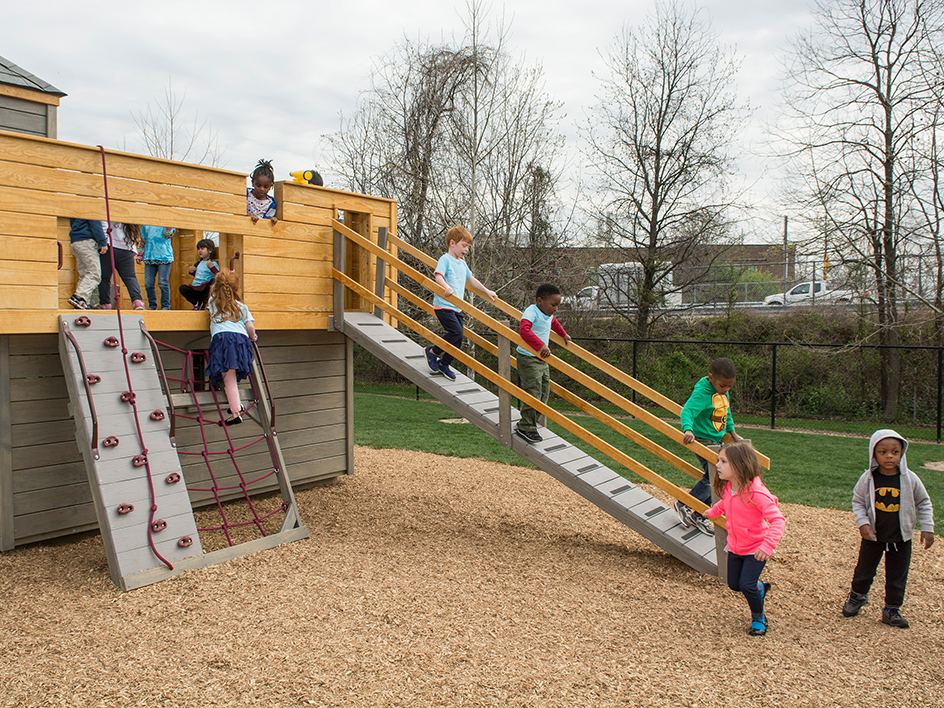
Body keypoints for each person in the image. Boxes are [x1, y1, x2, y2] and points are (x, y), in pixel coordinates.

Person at [841, 429, 934, 629]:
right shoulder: (867, 479)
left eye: (895, 452)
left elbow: (924, 502)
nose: (889, 456)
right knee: (864, 571)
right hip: (873, 537)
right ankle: (857, 597)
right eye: (883, 452)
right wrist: (863, 523)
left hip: (901, 538)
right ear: (873, 454)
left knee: (897, 575)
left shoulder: (910, 479)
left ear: (902, 453)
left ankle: (891, 609)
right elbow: (857, 501)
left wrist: (927, 528)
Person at [703, 441, 785, 637]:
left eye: (723, 461)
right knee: (734, 584)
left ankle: (759, 618)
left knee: (746, 585)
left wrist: (767, 546)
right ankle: (760, 589)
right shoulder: (729, 488)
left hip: (756, 547)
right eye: (718, 461)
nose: (718, 465)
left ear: (739, 465)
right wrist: (714, 511)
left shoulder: (756, 493)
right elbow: (727, 503)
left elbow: (778, 520)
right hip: (735, 545)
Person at [674, 357, 743, 535]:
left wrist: (733, 432)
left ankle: (698, 514)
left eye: (729, 387)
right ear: (711, 378)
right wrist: (688, 430)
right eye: (723, 386)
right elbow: (687, 410)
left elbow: (726, 412)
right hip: (704, 440)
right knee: (716, 477)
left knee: (718, 478)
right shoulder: (702, 393)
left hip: (717, 441)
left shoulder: (721, 392)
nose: (726, 390)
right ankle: (684, 504)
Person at [423, 225, 496, 381]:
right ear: (452, 243)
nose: (466, 249)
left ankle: (444, 363)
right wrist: (446, 287)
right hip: (443, 305)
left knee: (459, 339)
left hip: (457, 308)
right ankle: (432, 352)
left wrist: (487, 291)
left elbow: (471, 280)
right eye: (464, 245)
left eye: (468, 247)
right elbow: (438, 276)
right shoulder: (445, 259)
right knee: (455, 332)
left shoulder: (462, 264)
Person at [514, 283, 572, 444]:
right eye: (553, 305)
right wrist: (541, 345)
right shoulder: (531, 312)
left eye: (557, 305)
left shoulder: (548, 314)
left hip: (542, 360)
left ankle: (530, 423)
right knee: (533, 392)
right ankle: (526, 427)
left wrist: (564, 334)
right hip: (528, 358)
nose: (556, 308)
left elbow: (553, 323)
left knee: (544, 393)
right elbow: (524, 330)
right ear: (540, 301)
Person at [206, 270, 257, 426]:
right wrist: (253, 338)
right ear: (236, 288)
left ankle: (235, 413)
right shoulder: (242, 306)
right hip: (240, 341)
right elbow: (250, 326)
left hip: (223, 340)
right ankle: (237, 404)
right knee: (231, 376)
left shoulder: (213, 302)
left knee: (228, 379)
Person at [97, 222, 145, 310]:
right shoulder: (130, 217)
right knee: (130, 277)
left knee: (105, 277)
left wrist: (102, 241)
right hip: (127, 248)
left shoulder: (110, 210)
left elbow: (103, 224)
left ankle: (105, 303)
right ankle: (137, 301)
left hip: (110, 245)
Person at [67, 218, 108, 310]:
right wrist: (102, 242)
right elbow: (95, 224)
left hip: (76, 242)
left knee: (85, 274)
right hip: (87, 241)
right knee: (95, 274)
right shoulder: (91, 208)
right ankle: (79, 297)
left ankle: (83, 302)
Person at [138, 225, 176, 310]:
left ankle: (166, 306)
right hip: (149, 257)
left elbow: (168, 235)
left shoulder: (168, 223)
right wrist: (140, 254)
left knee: (163, 282)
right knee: (148, 283)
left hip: (164, 256)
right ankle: (152, 305)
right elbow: (143, 241)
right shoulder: (145, 225)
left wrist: (168, 224)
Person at [179, 238, 219, 310]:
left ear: (210, 250)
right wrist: (192, 271)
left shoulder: (213, 263)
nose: (200, 250)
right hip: (195, 289)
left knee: (213, 281)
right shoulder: (198, 263)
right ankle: (196, 303)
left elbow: (218, 275)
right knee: (182, 288)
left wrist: (212, 267)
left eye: (202, 248)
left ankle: (206, 304)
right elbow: (199, 275)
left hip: (204, 291)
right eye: (198, 249)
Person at [247, 159, 278, 225]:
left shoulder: (270, 203)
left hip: (260, 230)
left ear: (270, 186)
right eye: (258, 185)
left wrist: (271, 219)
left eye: (265, 187)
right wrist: (248, 216)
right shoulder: (246, 194)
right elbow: (237, 210)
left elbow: (267, 218)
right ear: (253, 183)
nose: (261, 189)